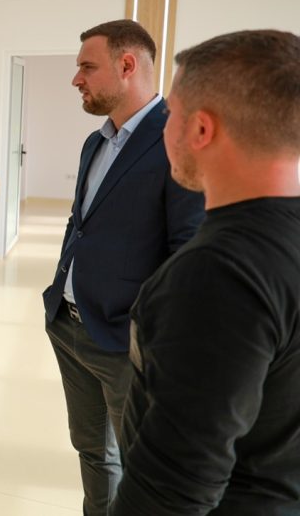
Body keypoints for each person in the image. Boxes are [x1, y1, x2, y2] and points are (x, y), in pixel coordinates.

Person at [111, 30, 300, 515]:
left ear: (200, 130)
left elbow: (173, 488)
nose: (163, 127)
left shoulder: (217, 275)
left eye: (170, 113)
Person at [42, 19, 205, 514]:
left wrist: (150, 336)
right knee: (92, 450)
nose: (77, 79)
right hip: (69, 327)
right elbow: (81, 224)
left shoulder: (177, 139)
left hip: (125, 342)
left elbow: (187, 252)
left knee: (140, 463)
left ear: (127, 65)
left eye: (87, 67)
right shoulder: (96, 142)